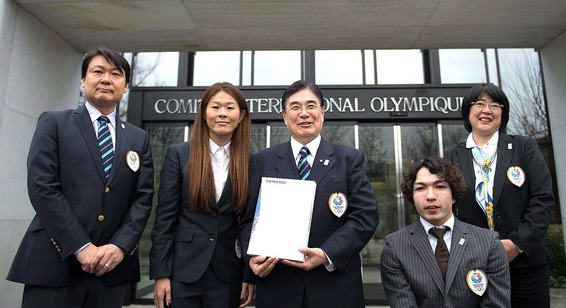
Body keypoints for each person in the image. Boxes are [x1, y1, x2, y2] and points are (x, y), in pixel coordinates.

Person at [7, 47, 154, 308]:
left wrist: (119, 247)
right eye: (98, 71)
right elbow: (43, 187)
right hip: (54, 264)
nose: (106, 79)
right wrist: (80, 245)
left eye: (115, 74)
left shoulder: (138, 138)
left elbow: (143, 198)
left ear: (126, 85)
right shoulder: (54, 122)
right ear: (83, 80)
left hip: (110, 271)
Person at [240, 80, 379, 308]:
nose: (304, 113)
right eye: (295, 107)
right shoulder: (260, 161)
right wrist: (251, 259)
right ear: (285, 116)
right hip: (278, 287)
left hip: (334, 287)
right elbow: (247, 221)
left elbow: (366, 216)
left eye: (311, 106)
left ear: (322, 112)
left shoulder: (349, 159)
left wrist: (326, 253)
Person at [444, 83, 554, 308]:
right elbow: (448, 208)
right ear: (468, 111)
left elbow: (542, 199)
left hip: (526, 263)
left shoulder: (523, 147)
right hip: (475, 264)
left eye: (495, 105)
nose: (487, 110)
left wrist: (517, 243)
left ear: (503, 114)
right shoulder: (452, 155)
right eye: (480, 104)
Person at [149, 82, 254, 308]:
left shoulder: (249, 161)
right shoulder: (179, 154)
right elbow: (165, 219)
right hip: (183, 271)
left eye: (230, 107)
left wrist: (248, 275)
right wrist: (161, 273)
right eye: (215, 107)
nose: (222, 114)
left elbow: (248, 224)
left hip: (227, 274)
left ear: (242, 115)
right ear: (204, 113)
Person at [380, 156, 511, 308]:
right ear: (412, 197)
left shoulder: (489, 243)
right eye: (420, 188)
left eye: (440, 186)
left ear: (454, 194)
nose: (430, 196)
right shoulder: (395, 247)